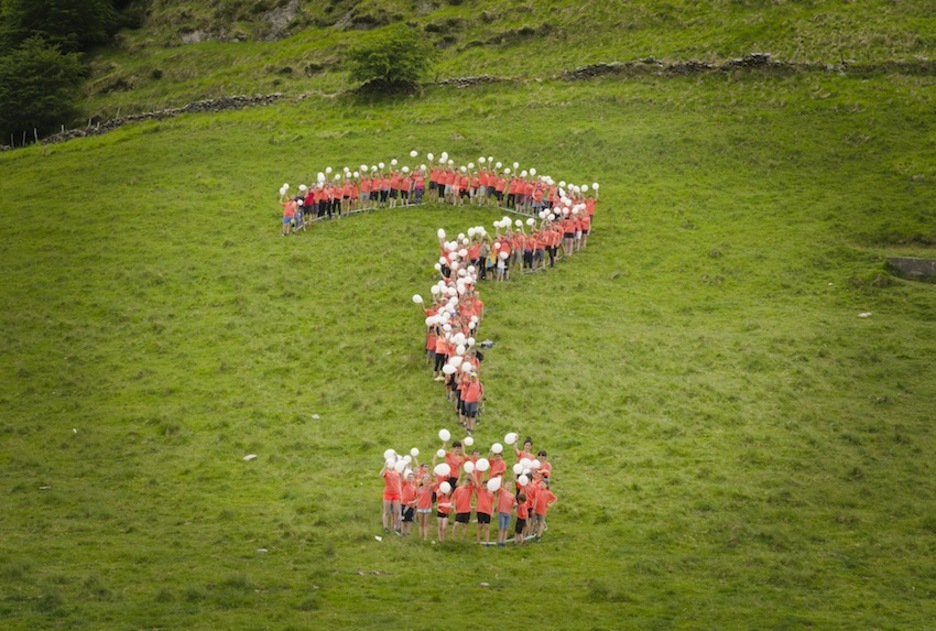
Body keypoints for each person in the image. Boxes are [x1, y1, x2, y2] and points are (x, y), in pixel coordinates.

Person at [380, 460, 402, 534]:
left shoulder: (397, 473)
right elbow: (381, 474)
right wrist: (385, 466)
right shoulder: (386, 472)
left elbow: (399, 483)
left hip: (396, 493)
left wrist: (400, 493)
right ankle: (385, 527)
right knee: (386, 511)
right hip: (388, 493)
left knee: (396, 511)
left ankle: (396, 527)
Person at [451, 477, 474, 541]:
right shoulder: (458, 489)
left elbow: (474, 483)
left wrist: (471, 475)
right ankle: (453, 537)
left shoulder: (470, 490)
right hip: (459, 510)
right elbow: (455, 498)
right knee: (456, 524)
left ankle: (462, 538)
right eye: (466, 482)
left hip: (467, 510)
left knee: (465, 525)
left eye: (468, 483)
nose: (467, 484)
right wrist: (454, 508)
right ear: (463, 481)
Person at [495, 482, 517, 547]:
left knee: (506, 528)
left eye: (510, 485)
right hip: (502, 512)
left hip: (508, 513)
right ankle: (500, 541)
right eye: (507, 484)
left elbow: (514, 503)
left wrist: (515, 505)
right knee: (501, 528)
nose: (509, 486)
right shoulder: (502, 491)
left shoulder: (512, 495)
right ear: (505, 485)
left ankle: (503, 542)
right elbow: (497, 488)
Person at [474, 478, 494, 545]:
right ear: (482, 486)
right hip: (480, 510)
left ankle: (487, 542)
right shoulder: (480, 490)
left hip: (487, 512)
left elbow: (492, 503)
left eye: (487, 486)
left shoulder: (491, 493)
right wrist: (472, 474)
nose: (486, 487)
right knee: (479, 526)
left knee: (487, 527)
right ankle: (478, 541)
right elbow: (476, 482)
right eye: (484, 485)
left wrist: (492, 512)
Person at [415, 473, 434, 540]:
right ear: (422, 481)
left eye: (427, 480)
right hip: (420, 507)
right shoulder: (419, 489)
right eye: (424, 480)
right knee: (421, 523)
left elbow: (437, 483)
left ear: (429, 481)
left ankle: (425, 537)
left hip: (428, 507)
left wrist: (434, 475)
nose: (426, 481)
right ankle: (421, 536)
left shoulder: (430, 488)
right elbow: (417, 498)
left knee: (426, 523)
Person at [400, 470, 417, 536]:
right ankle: (402, 532)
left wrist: (413, 502)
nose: (410, 478)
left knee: (409, 520)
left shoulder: (414, 487)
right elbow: (401, 475)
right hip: (404, 504)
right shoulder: (405, 484)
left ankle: (408, 532)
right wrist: (404, 469)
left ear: (413, 479)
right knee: (403, 519)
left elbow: (416, 497)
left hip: (411, 506)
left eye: (411, 477)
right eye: (409, 477)